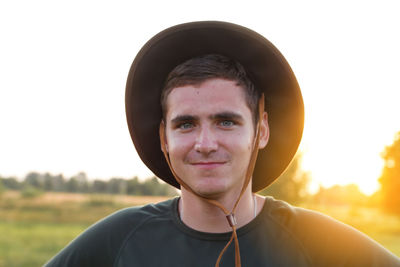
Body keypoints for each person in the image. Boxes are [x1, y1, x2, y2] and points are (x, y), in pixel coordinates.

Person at [45, 21, 400, 267]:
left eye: (226, 121)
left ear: (261, 130)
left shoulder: (319, 243)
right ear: (163, 138)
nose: (205, 143)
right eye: (185, 124)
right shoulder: (120, 240)